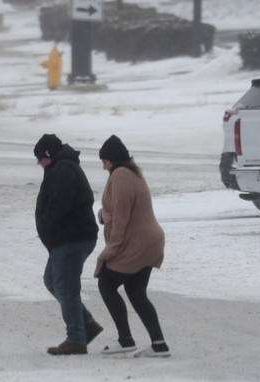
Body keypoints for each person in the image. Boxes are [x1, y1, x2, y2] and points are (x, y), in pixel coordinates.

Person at [94, 135, 171, 358]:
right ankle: (159, 345)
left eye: (105, 161)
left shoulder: (121, 176)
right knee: (136, 292)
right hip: (149, 243)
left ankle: (126, 339)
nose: (103, 166)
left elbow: (121, 218)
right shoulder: (131, 173)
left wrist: (111, 250)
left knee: (106, 284)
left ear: (114, 160)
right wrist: (101, 214)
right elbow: (112, 211)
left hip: (136, 244)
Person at [33, 134, 103, 355]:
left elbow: (59, 205)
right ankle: (87, 325)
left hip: (72, 238)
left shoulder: (64, 170)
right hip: (65, 239)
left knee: (66, 287)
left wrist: (46, 223)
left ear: (48, 154)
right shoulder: (60, 167)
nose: (39, 163)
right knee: (52, 281)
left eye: (40, 158)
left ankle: (76, 339)